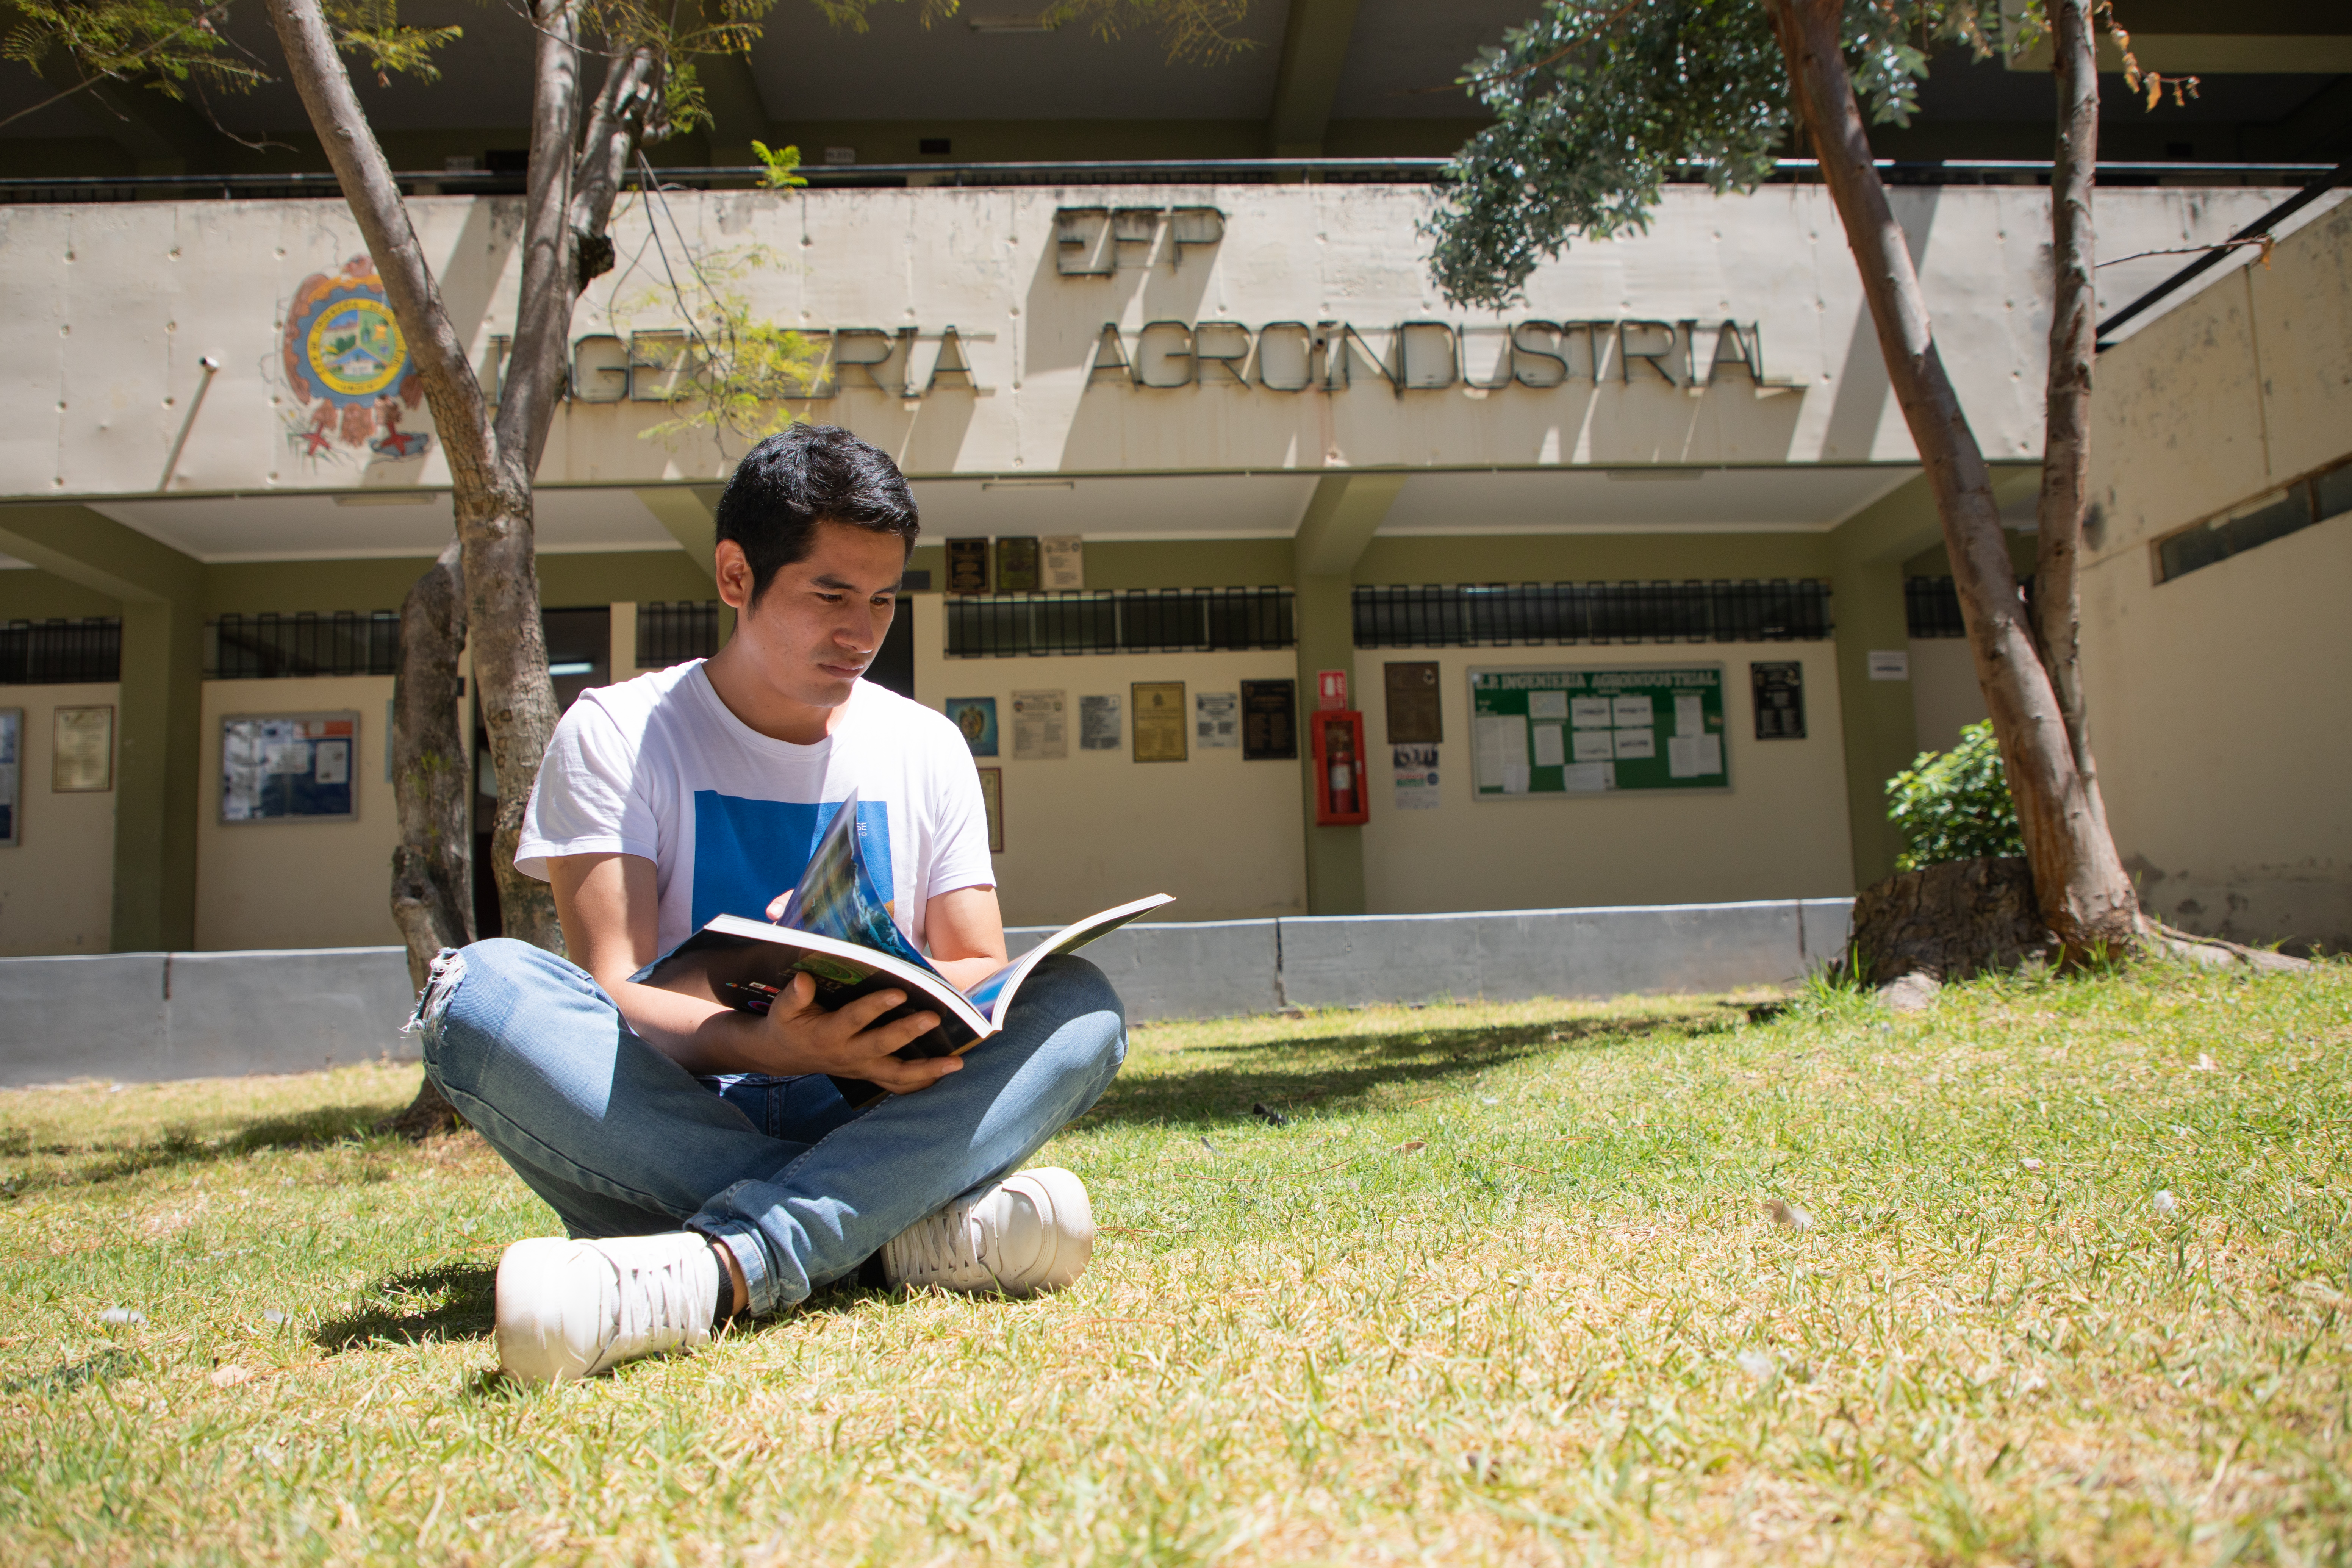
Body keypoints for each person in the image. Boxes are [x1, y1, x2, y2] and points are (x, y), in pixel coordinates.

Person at [413, 424, 1128, 1384]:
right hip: (676, 1110)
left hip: (867, 1104)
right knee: (480, 991)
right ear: (736, 576)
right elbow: (613, 987)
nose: (861, 632)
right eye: (829, 594)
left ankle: (709, 1266)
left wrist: (865, 998)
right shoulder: (619, 732)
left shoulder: (925, 746)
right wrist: (763, 1044)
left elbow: (972, 961)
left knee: (1080, 1008)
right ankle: (886, 1236)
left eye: (881, 599)